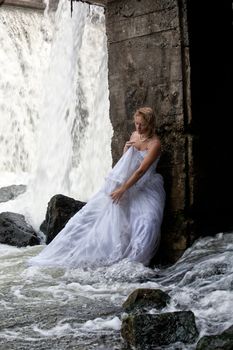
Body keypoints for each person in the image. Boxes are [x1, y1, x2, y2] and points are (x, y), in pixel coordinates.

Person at [28, 107, 165, 268]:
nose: (138, 127)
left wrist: (123, 189)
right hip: (128, 184)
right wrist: (126, 151)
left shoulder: (154, 144)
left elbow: (141, 170)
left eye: (141, 124)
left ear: (150, 124)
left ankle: (136, 262)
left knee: (147, 222)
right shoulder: (135, 136)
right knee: (104, 218)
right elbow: (128, 163)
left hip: (145, 187)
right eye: (136, 123)